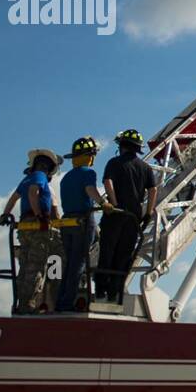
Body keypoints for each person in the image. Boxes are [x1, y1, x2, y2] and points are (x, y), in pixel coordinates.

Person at [96, 129, 157, 305]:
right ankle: (114, 292)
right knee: (124, 255)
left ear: (122, 146)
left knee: (107, 251)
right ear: (137, 149)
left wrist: (114, 204)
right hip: (133, 217)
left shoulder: (114, 163)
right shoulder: (145, 167)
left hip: (115, 215)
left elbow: (108, 182)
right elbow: (153, 190)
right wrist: (148, 212)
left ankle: (101, 289)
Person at [0, 148, 63, 314]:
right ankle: (29, 305)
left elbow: (14, 197)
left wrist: (5, 214)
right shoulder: (40, 177)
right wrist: (40, 216)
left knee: (25, 266)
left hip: (25, 227)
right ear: (48, 168)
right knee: (37, 266)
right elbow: (33, 193)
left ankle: (21, 302)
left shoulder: (25, 179)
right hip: (37, 227)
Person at [55, 137, 113, 312]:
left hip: (67, 223)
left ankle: (61, 300)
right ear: (90, 156)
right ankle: (67, 303)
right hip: (83, 221)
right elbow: (90, 190)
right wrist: (104, 204)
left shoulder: (66, 178)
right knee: (79, 263)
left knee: (70, 263)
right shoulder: (88, 173)